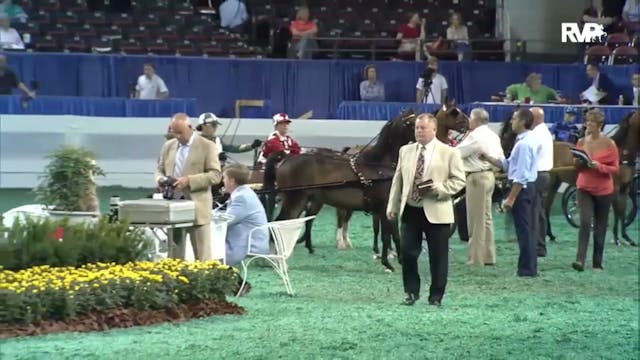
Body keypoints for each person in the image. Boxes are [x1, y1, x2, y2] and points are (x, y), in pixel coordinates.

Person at [386, 113, 465, 307]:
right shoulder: (406, 150)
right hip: (411, 210)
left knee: (438, 257)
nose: (419, 131)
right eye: (417, 128)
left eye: (423, 128)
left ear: (434, 130)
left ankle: (436, 296)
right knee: (407, 253)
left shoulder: (450, 153)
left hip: (437, 211)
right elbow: (398, 180)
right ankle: (411, 292)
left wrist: (439, 190)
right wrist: (392, 206)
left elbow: (459, 180)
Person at [155, 113, 222, 261]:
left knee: (202, 257)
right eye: (174, 132)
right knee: (174, 256)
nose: (177, 136)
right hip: (174, 207)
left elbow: (215, 175)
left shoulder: (207, 146)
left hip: (198, 208)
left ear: (190, 127)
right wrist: (160, 179)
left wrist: (189, 181)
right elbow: (159, 169)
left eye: (180, 132)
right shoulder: (168, 146)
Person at [482, 109, 539, 278]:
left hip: (522, 188)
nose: (511, 122)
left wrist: (511, 198)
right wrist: (488, 158)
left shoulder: (523, 144)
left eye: (514, 119)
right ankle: (527, 268)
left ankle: (527, 269)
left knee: (524, 230)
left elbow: (520, 175)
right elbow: (508, 165)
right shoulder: (524, 141)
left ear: (522, 121)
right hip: (527, 187)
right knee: (525, 229)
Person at [571, 109, 619, 272]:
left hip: (604, 190)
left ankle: (597, 262)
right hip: (584, 187)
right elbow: (576, 163)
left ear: (600, 125)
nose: (588, 124)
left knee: (600, 225)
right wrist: (578, 162)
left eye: (591, 121)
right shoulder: (582, 141)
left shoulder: (609, 144)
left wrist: (600, 166)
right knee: (585, 222)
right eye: (587, 121)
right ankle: (580, 260)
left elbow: (615, 168)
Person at [456, 108, 504, 266]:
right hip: (490, 176)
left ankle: (476, 258)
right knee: (486, 218)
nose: (469, 121)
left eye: (470, 118)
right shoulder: (494, 136)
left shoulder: (475, 136)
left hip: (476, 177)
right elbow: (500, 159)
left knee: (476, 220)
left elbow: (458, 153)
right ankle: (489, 255)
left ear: (476, 120)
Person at [222, 163, 270, 295]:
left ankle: (238, 285)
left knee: (209, 250)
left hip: (247, 242)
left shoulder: (241, 197)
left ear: (232, 180)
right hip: (245, 238)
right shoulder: (244, 193)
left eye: (224, 178)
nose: (223, 181)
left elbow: (227, 221)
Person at [530, 107, 553, 257]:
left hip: (537, 175)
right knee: (540, 211)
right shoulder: (544, 132)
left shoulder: (536, 134)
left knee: (535, 212)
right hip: (544, 174)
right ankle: (540, 244)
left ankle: (538, 245)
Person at [196, 112, 262, 165]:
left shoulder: (217, 140)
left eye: (216, 125)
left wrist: (251, 146)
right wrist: (216, 157)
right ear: (203, 125)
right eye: (213, 125)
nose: (215, 128)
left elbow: (233, 148)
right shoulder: (196, 141)